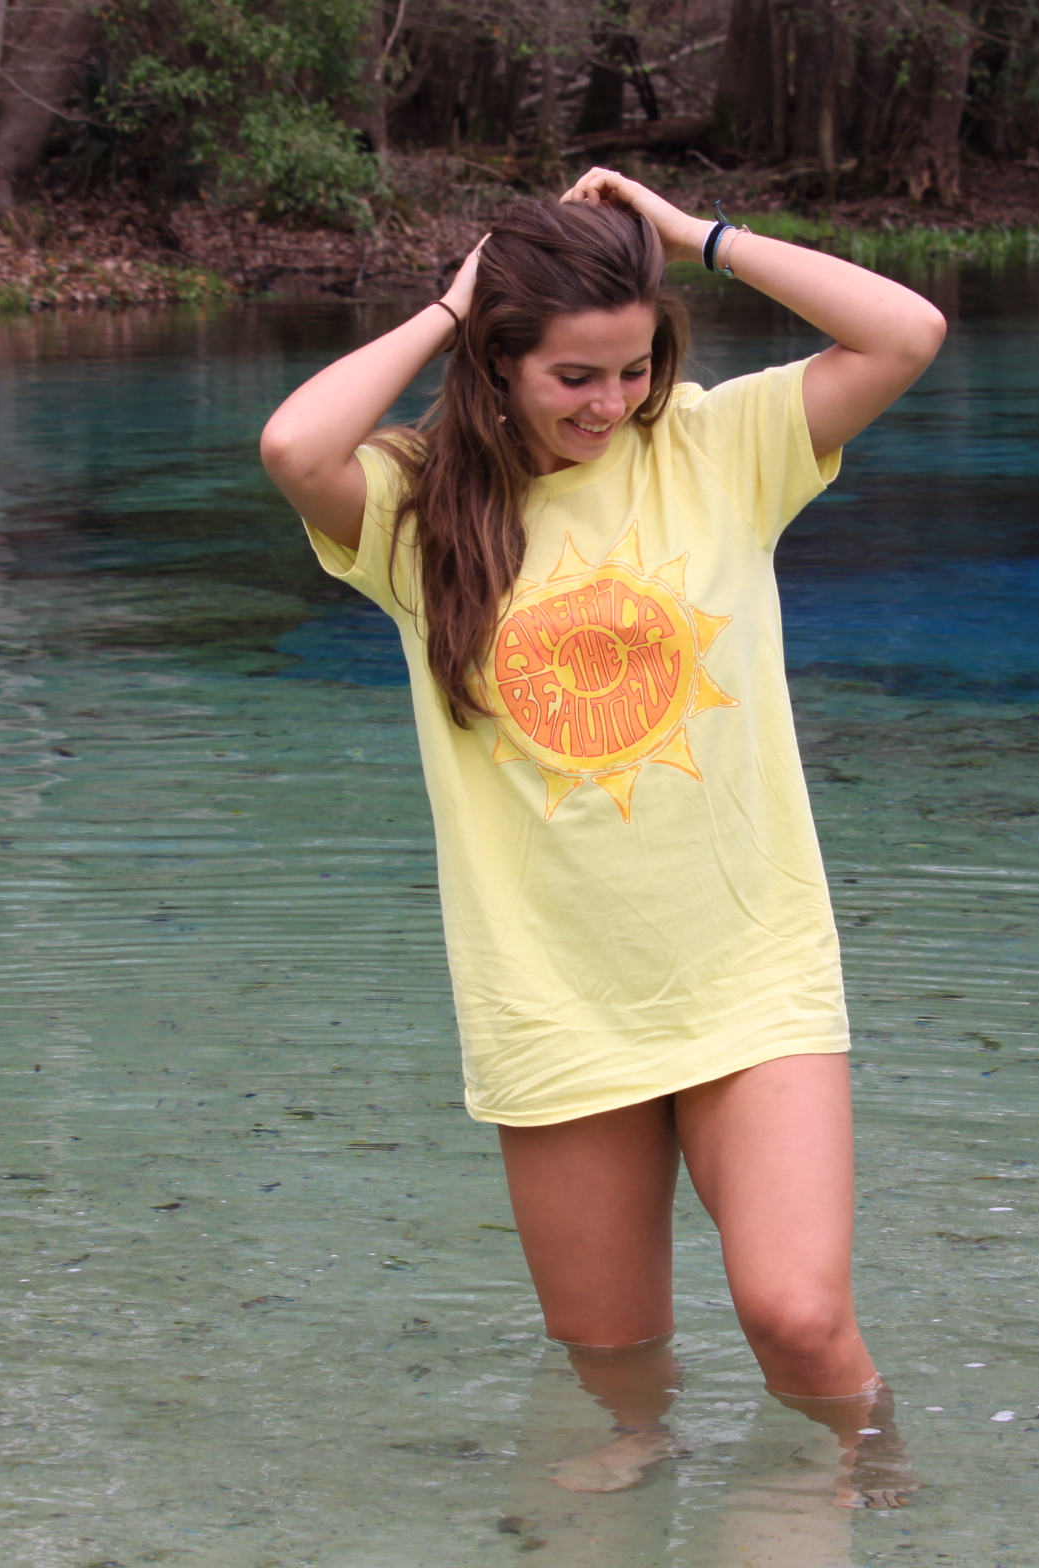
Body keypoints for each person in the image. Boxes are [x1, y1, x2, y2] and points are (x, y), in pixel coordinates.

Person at [259, 167, 945, 1512]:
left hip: (748, 974)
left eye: (634, 369)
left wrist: (698, 236)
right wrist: (450, 303)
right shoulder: (417, 511)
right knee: (616, 1384)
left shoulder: (718, 449)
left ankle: (872, 1490)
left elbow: (904, 332)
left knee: (799, 1317)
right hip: (556, 996)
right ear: (496, 362)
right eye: (574, 376)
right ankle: (646, 1496)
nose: (611, 403)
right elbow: (293, 447)